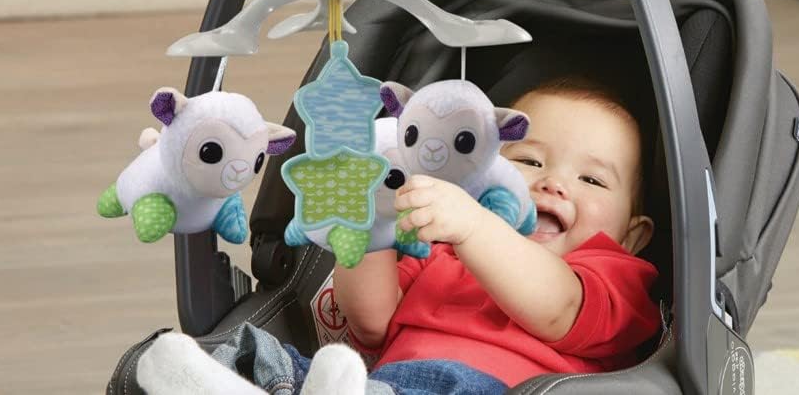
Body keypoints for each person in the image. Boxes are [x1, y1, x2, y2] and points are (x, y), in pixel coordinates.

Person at [137, 75, 660, 395]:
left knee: (437, 383)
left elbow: (557, 308)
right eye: (529, 160)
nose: (553, 183)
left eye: (592, 180)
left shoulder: (612, 275)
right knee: (266, 354)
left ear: (634, 234)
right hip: (376, 383)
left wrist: (474, 225)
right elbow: (371, 322)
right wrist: (371, 219)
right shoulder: (439, 247)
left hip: (496, 391)